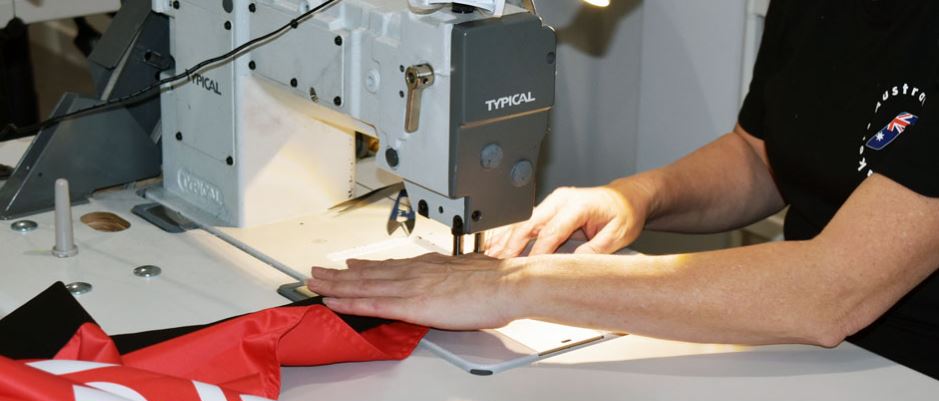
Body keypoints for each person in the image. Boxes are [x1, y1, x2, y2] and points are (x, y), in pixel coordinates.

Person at [308, 0, 939, 379]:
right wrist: (635, 197)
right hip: (808, 364)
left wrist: (513, 286)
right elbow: (762, 156)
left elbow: (828, 294)